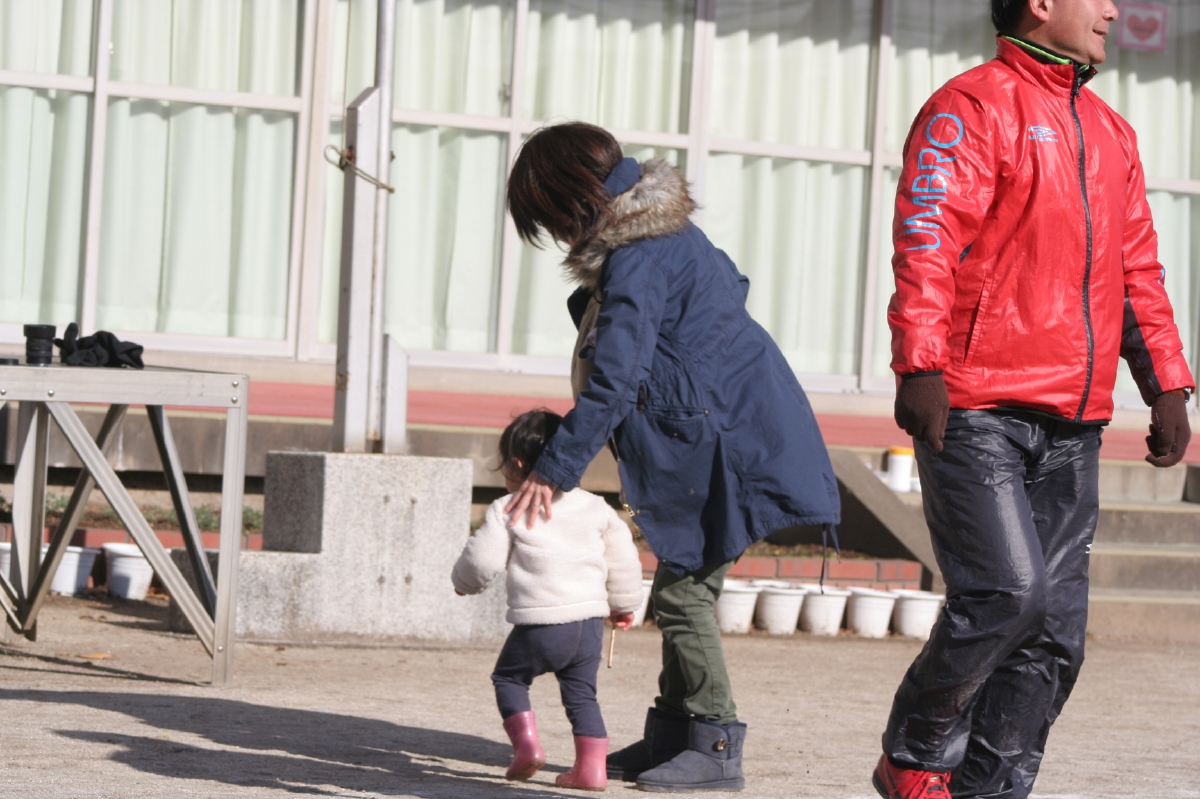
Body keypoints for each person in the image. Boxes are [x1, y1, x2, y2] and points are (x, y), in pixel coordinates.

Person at [876, 1, 1195, 797]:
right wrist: (921, 362)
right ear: (1042, 3)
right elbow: (927, 236)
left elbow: (1137, 270)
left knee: (1054, 634)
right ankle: (915, 752)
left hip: (1075, 423)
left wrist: (1166, 382)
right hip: (976, 408)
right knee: (1004, 595)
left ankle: (992, 789)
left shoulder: (1113, 132)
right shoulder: (971, 106)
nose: (1113, 10)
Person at [503, 122, 841, 793]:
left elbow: (618, 377)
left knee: (686, 596)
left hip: (737, 448)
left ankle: (715, 743)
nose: (560, 238)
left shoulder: (640, 254)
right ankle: (672, 736)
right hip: (737, 434)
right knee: (681, 586)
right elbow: (726, 289)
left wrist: (555, 467)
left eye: (553, 219)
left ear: (573, 198)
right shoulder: (661, 237)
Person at [451, 409, 644, 791]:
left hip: (541, 625)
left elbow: (482, 559)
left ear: (518, 464)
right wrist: (625, 604)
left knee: (509, 678)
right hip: (588, 626)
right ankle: (591, 770)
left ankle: (527, 747)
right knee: (582, 697)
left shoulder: (509, 507)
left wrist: (463, 583)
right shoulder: (596, 507)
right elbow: (622, 557)